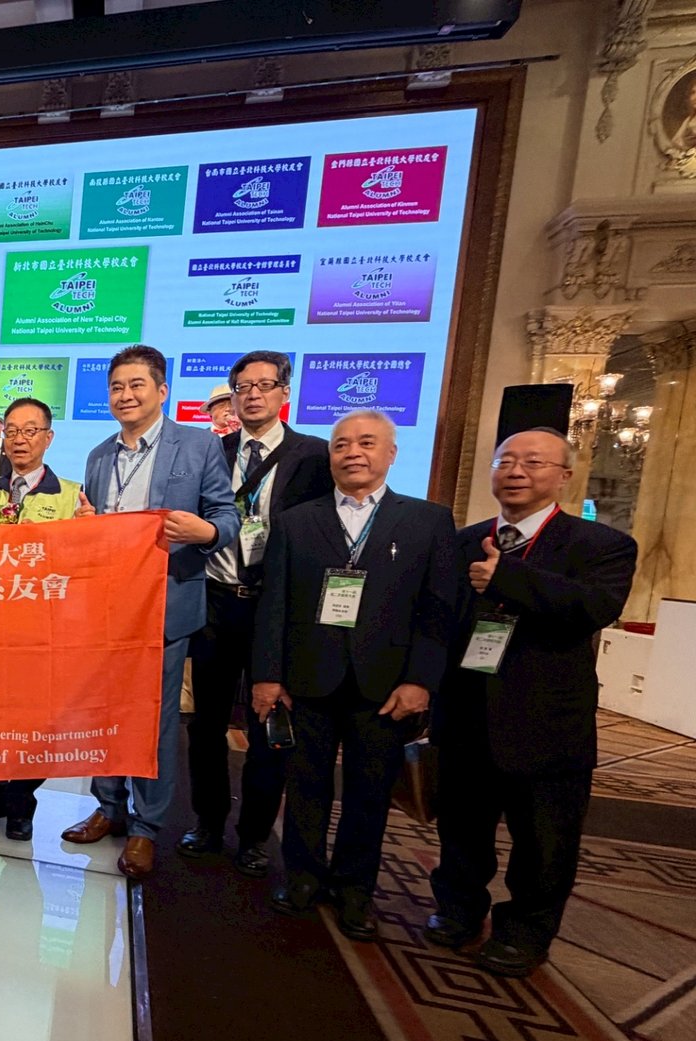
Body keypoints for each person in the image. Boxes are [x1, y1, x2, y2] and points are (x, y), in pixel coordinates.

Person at [427, 428, 637, 977]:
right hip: (466, 712)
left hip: (545, 719)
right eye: (506, 461)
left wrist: (507, 577)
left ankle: (525, 932)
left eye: (533, 462)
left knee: (544, 840)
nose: (516, 471)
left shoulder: (601, 545)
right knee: (462, 829)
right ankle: (458, 910)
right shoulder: (464, 541)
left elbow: (594, 607)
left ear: (564, 476)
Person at [251, 409, 457, 940]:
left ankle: (354, 889)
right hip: (307, 679)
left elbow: (437, 611)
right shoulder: (297, 521)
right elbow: (274, 604)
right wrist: (267, 675)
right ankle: (301, 877)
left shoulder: (428, 521)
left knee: (369, 794)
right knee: (306, 787)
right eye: (341, 444)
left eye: (366, 443)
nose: (352, 453)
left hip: (385, 686)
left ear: (391, 453)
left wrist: (420, 681)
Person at [62, 344, 239, 879]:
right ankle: (109, 806)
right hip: (108, 609)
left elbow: (227, 517)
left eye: (137, 384)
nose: (126, 395)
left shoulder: (199, 445)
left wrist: (204, 531)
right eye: (117, 387)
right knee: (104, 712)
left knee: (154, 720)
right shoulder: (99, 456)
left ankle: (146, 826)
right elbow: (96, 528)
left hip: (165, 604)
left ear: (161, 391)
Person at [181, 351, 330, 877]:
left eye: (264, 385)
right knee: (206, 726)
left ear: (284, 393)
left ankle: (254, 836)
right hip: (217, 602)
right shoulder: (210, 451)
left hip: (277, 609)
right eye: (242, 386)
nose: (252, 395)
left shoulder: (314, 456)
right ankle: (207, 821)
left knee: (270, 724)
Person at [0, 396, 95, 839]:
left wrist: (87, 535)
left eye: (30, 430)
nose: (20, 439)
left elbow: (83, 568)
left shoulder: (72, 494)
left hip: (42, 629)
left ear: (48, 438)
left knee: (33, 718)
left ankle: (21, 804)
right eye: (13, 431)